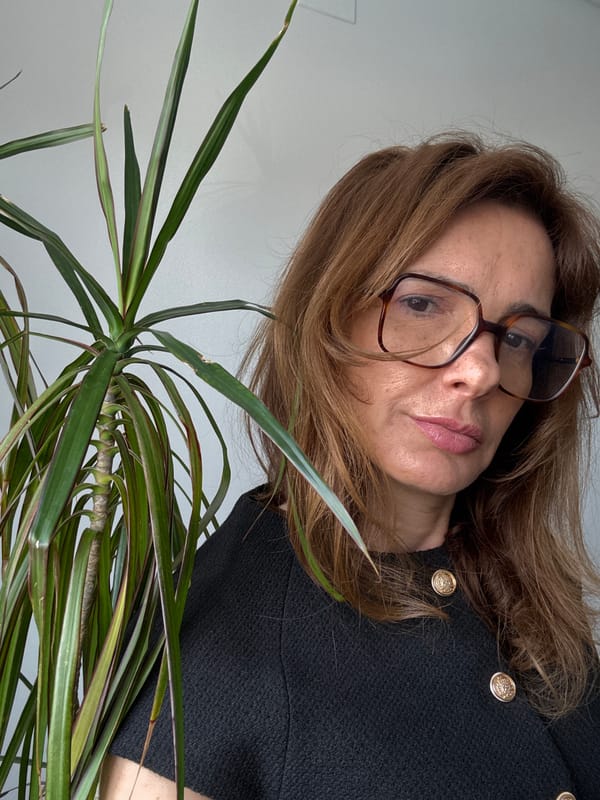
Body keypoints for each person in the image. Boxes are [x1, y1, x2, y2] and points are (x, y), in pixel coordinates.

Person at [102, 133, 600, 800]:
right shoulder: (207, 648)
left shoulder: (526, 585)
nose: (481, 371)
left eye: (518, 339)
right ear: (327, 318)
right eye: (423, 304)